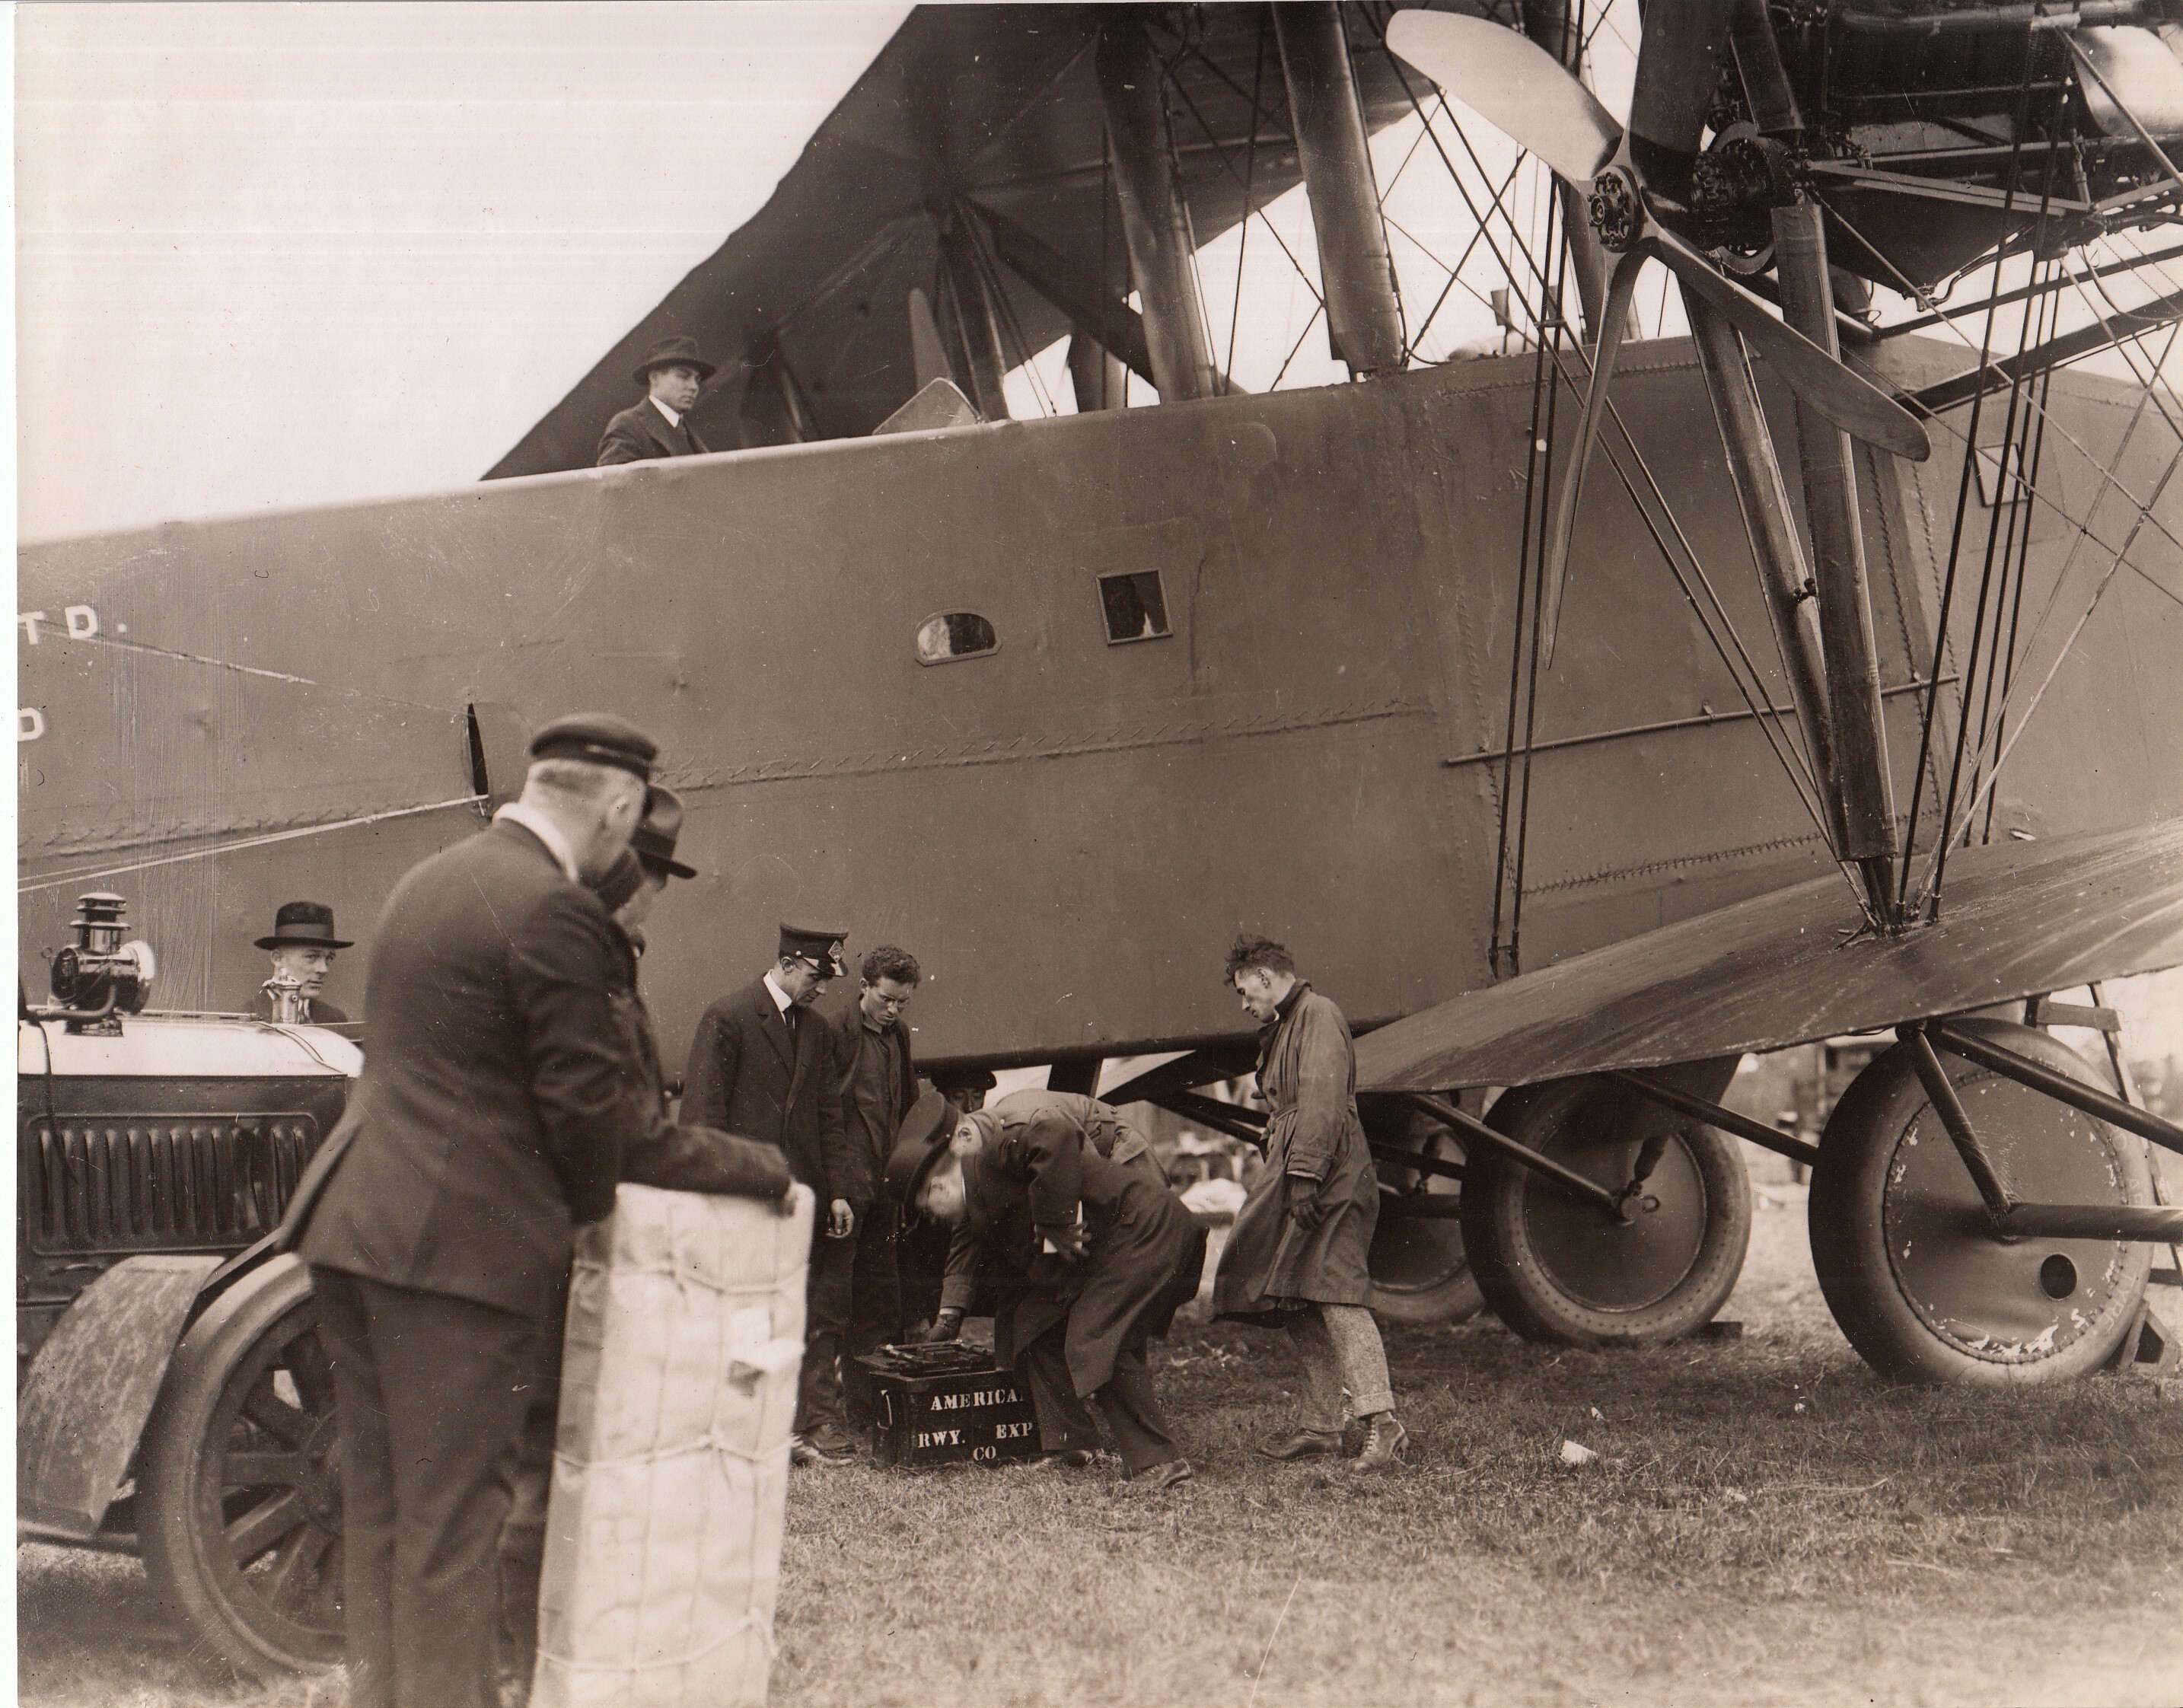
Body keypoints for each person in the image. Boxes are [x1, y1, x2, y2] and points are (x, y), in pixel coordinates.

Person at [300, 715, 789, 1708]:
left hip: (355, 1229)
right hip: (454, 1255)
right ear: (618, 806)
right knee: (452, 1534)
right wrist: (761, 1168)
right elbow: (602, 1127)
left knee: (389, 1519)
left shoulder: (430, 879)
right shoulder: (559, 913)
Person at [496, 784, 779, 1699]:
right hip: (542, 1233)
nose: (655, 895)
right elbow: (622, 1130)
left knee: (559, 1448)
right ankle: (525, 1656)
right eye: (652, 875)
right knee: (543, 1453)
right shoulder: (578, 956)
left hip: (560, 1229)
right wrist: (759, 1168)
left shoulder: (588, 947)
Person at [906, 1088, 1204, 1492]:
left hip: (1141, 1231)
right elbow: (967, 1245)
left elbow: (1055, 1133)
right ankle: (1070, 1444)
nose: (932, 1220)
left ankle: (1158, 1462)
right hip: (1108, 1247)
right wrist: (950, 1314)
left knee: (1097, 1340)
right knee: (1032, 1328)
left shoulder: (994, 1142)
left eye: (926, 1207)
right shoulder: (971, 1189)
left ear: (938, 1185)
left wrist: (1054, 1224)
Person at [1212, 935, 1408, 1472]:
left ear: (1267, 978)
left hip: (1330, 1176)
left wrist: (1304, 1175)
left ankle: (1383, 1425)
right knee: (1294, 1297)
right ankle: (1321, 1428)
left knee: (1338, 1295)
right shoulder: (1285, 1024)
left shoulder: (1318, 1015)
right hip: (1307, 1169)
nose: (1243, 1002)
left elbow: (1322, 1100)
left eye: (1244, 990)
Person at [682, 923, 865, 1465]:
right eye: (815, 975)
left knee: (802, 1308)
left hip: (799, 1199)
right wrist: (716, 1195)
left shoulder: (816, 1031)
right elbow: (703, 1115)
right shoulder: (727, 1018)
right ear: (788, 963)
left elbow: (830, 1118)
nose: (822, 989)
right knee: (742, 1312)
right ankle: (743, 1429)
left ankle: (808, 1426)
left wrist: (837, 1193)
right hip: (743, 1199)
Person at [828, 945, 923, 1431]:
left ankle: (867, 1414)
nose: (893, 1011)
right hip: (846, 1192)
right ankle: (824, 1415)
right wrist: (837, 1190)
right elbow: (825, 1117)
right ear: (864, 986)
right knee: (834, 1303)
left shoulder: (898, 1036)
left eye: (902, 1004)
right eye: (886, 1000)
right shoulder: (836, 1033)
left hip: (884, 1191)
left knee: (880, 1301)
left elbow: (907, 1105)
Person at [596, 335, 715, 465]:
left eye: (697, 380)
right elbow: (613, 483)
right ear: (654, 378)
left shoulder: (686, 431)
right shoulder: (628, 426)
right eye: (683, 376)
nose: (694, 387)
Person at [246, 900, 352, 1022]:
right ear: (277, 958)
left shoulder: (335, 1019)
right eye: (311, 957)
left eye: (329, 958)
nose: (324, 969)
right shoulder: (244, 1020)